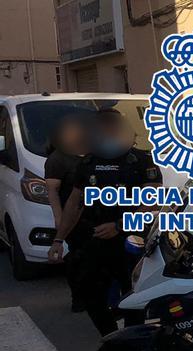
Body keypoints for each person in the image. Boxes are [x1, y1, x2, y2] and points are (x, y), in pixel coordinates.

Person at [50, 109, 160, 336]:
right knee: (89, 291)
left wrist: (118, 226)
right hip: (97, 238)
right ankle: (110, 336)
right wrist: (58, 239)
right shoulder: (88, 163)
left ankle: (133, 340)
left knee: (133, 294)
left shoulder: (141, 161)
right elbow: (74, 204)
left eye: (113, 128)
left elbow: (151, 201)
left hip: (132, 238)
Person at [43, 114, 91, 312]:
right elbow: (53, 191)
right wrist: (59, 218)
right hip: (74, 219)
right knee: (78, 259)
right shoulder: (57, 159)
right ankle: (78, 297)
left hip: (96, 216)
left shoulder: (93, 154)